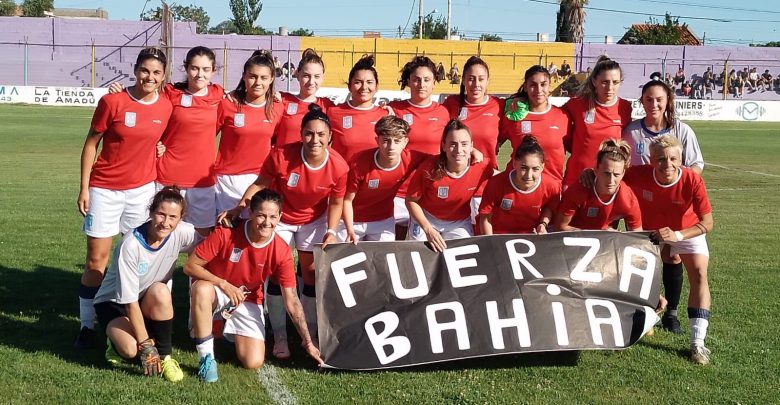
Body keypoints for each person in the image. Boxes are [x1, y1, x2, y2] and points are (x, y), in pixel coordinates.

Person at [220, 104, 348, 359]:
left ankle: (309, 330)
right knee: (279, 275)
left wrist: (331, 230)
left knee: (310, 275)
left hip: (314, 221)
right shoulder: (281, 156)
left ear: (330, 137)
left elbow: (336, 202)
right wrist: (239, 207)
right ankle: (279, 333)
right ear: (301, 134)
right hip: (282, 219)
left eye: (321, 135)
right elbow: (260, 184)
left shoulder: (339, 166)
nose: (315, 140)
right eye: (309, 134)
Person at [75, 47, 173, 349]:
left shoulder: (166, 106)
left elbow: (163, 139)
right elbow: (91, 143)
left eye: (157, 73)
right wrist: (84, 187)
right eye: (145, 70)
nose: (150, 77)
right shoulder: (112, 101)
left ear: (163, 76)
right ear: (135, 70)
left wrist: (160, 148)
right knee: (97, 260)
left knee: (143, 261)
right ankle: (87, 326)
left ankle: (146, 322)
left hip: (142, 192)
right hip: (104, 189)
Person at [185, 189, 323, 382]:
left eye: (273, 217)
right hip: (217, 290)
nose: (267, 222)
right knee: (201, 289)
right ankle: (206, 357)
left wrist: (308, 342)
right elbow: (190, 266)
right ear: (250, 213)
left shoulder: (282, 251)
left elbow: (291, 300)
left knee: (253, 361)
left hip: (247, 297)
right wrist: (223, 284)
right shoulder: (226, 231)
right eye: (261, 215)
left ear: (280, 217)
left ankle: (223, 325)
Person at [623, 135, 714, 365]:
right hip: (651, 232)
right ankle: (643, 317)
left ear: (681, 159)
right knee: (632, 271)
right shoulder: (638, 174)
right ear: (651, 160)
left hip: (687, 231)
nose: (668, 164)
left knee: (700, 274)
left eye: (673, 158)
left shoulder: (692, 180)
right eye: (661, 159)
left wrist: (678, 236)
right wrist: (589, 174)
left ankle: (697, 343)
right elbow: (610, 172)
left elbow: (707, 223)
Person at [93, 187, 197, 382]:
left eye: (173, 217)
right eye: (161, 214)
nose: (166, 222)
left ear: (181, 218)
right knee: (130, 349)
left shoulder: (182, 232)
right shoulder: (130, 245)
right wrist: (146, 346)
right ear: (151, 212)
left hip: (145, 297)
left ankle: (166, 357)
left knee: (161, 290)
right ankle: (114, 340)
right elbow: (129, 302)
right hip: (115, 301)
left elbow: (211, 244)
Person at [406, 120, 493, 252]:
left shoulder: (482, 166)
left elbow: (505, 179)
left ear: (471, 146)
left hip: (458, 222)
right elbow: (411, 201)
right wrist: (428, 229)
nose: (458, 150)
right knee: (421, 253)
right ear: (444, 146)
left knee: (464, 254)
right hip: (427, 219)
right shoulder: (429, 167)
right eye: (452, 144)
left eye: (464, 144)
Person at [388, 56, 452, 238]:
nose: (421, 84)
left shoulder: (443, 112)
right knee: (395, 246)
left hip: (430, 191)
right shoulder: (394, 109)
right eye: (416, 79)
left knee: (426, 249)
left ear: (434, 83)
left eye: (426, 80)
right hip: (399, 190)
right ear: (408, 81)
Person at [214, 50, 283, 215]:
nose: (258, 82)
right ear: (244, 76)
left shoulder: (278, 107)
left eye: (264, 78)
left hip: (260, 181)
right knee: (224, 233)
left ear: (271, 79)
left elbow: (279, 143)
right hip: (227, 181)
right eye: (252, 76)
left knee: (254, 235)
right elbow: (205, 137)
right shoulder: (227, 104)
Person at [342, 116, 426, 242]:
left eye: (397, 141)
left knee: (382, 261)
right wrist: (350, 230)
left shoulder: (412, 159)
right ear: (377, 140)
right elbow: (347, 200)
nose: (391, 147)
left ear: (405, 142)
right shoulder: (359, 162)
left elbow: (441, 161)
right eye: (386, 140)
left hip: (383, 220)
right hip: (352, 220)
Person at [561, 55, 632, 190]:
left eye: (615, 82)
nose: (610, 87)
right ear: (594, 81)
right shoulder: (578, 104)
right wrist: (519, 99)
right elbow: (552, 116)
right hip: (576, 179)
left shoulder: (625, 108)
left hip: (607, 182)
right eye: (605, 82)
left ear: (620, 83)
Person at [500, 64, 570, 184]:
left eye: (543, 84)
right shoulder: (514, 115)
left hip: (551, 192)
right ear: (525, 87)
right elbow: (491, 144)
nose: (538, 90)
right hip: (517, 189)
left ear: (549, 86)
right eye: (533, 85)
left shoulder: (563, 116)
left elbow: (578, 150)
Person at [554, 139, 642, 232]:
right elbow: (560, 227)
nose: (611, 180)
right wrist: (597, 235)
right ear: (596, 169)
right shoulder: (580, 189)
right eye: (606, 173)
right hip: (575, 241)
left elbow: (637, 235)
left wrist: (617, 237)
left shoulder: (628, 199)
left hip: (606, 242)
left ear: (623, 173)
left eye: (616, 174)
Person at [478, 135, 560, 235]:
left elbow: (549, 208)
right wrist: (491, 243)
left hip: (531, 234)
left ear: (542, 167)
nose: (528, 175)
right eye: (524, 168)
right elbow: (485, 218)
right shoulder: (496, 183)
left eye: (535, 169)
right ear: (514, 163)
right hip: (498, 234)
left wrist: (543, 224)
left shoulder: (552, 186)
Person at [623, 80, 704, 174]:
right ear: (642, 101)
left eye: (659, 99)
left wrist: (677, 180)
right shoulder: (630, 131)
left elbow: (696, 165)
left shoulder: (682, 130)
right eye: (649, 100)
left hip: (673, 188)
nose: (654, 105)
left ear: (667, 100)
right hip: (639, 188)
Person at [327, 54, 388, 162]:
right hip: (345, 177)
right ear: (349, 86)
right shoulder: (333, 112)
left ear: (377, 86)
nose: (364, 87)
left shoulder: (385, 115)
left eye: (369, 82)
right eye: (358, 82)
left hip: (373, 176)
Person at [275, 48, 335, 147]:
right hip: (284, 161)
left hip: (311, 162)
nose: (311, 82)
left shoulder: (328, 106)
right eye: (306, 76)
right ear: (297, 74)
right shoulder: (282, 100)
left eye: (316, 76)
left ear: (322, 78)